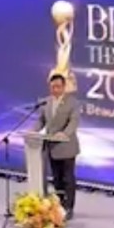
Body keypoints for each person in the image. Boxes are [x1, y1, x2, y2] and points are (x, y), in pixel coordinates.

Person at [36, 73, 80, 220]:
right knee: (57, 178)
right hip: (51, 147)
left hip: (67, 147)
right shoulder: (46, 102)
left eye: (58, 86)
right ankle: (59, 205)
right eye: (52, 86)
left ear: (64, 87)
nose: (55, 89)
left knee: (68, 178)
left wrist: (64, 134)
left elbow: (73, 122)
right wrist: (33, 131)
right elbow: (41, 121)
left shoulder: (73, 103)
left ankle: (69, 207)